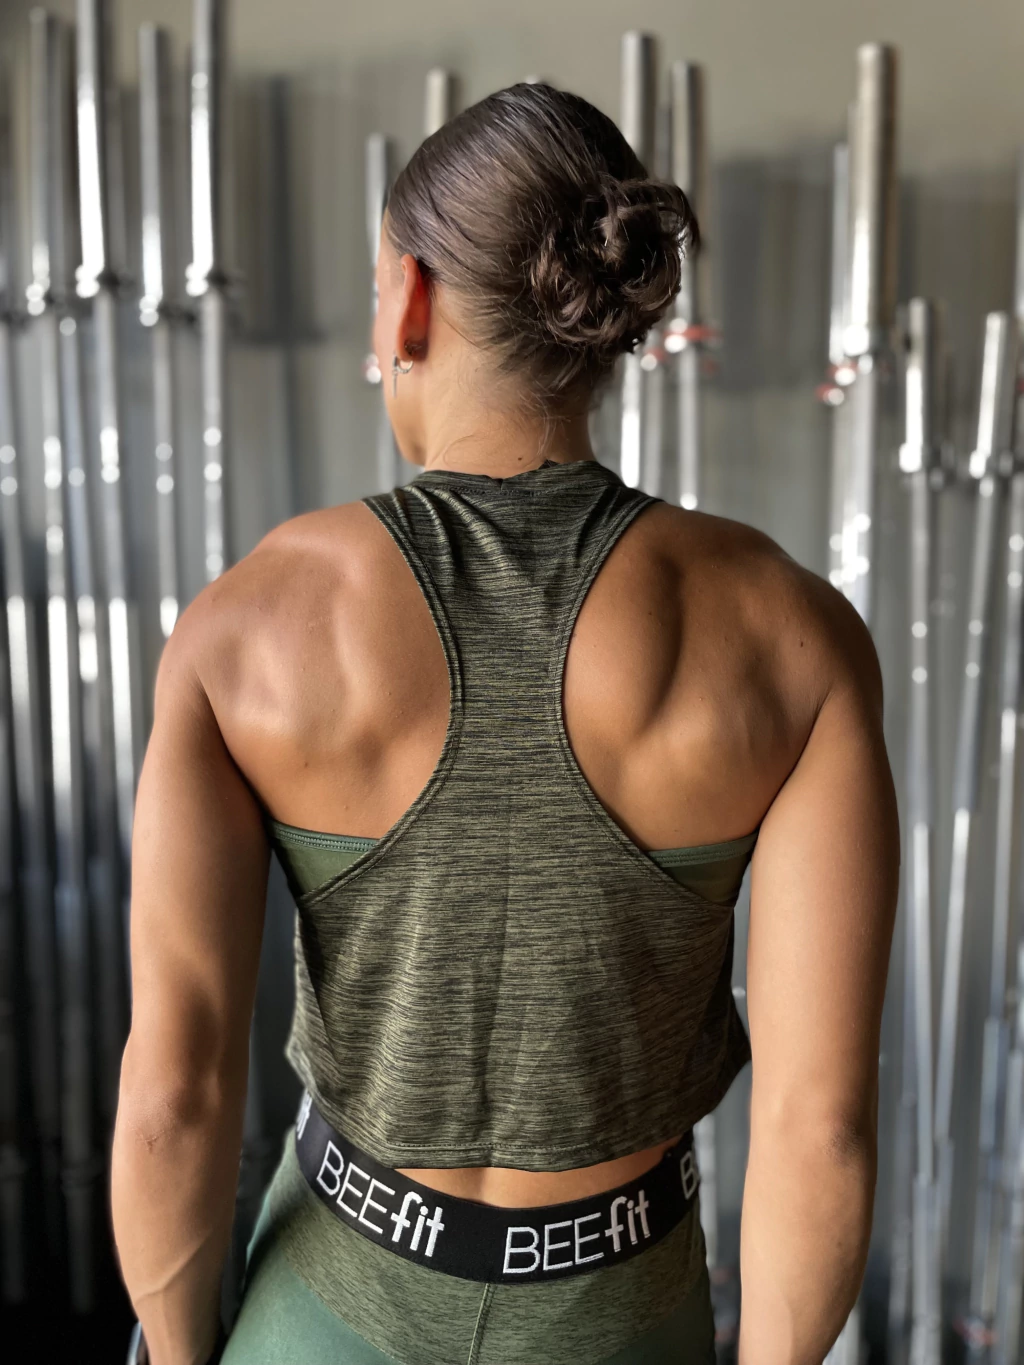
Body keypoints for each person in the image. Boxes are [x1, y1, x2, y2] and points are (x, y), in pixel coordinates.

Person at [111, 82, 899, 1365]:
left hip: (329, 1303)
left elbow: (171, 1097)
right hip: (619, 1309)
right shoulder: (786, 632)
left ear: (410, 300)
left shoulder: (250, 625)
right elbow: (822, 1131)